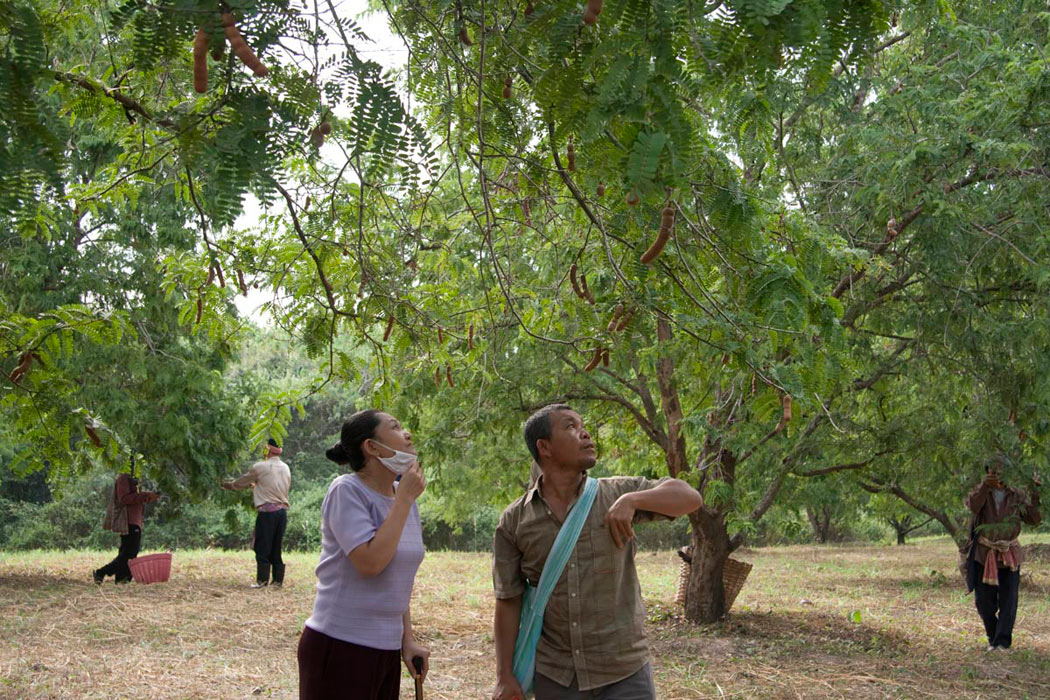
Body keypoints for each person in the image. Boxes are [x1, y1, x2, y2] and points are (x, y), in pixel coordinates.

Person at [492, 404, 702, 700]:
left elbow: (689, 498)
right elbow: (508, 600)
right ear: (544, 447)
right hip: (556, 675)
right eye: (570, 426)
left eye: (583, 424)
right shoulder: (514, 521)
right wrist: (504, 677)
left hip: (623, 672)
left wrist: (633, 500)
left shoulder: (616, 494)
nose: (586, 433)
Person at [297, 410, 430, 700]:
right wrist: (405, 499)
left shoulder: (402, 497)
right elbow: (370, 563)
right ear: (371, 447)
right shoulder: (346, 490)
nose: (407, 433)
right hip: (340, 644)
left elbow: (397, 578)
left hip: (386, 648)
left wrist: (407, 638)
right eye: (395, 427)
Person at [963, 455, 1042, 651]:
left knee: (1009, 599)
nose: (997, 474)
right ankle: (992, 636)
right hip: (984, 553)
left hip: (1010, 554)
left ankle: (1002, 642)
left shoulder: (1017, 495)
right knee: (984, 602)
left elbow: (1034, 519)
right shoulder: (979, 492)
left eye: (1002, 470)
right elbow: (973, 506)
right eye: (993, 470)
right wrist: (984, 486)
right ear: (987, 471)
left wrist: (1034, 493)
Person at [223, 438, 291, 588]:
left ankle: (262, 581)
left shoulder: (260, 467)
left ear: (267, 450)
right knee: (275, 546)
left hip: (267, 513)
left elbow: (241, 482)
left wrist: (229, 485)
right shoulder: (285, 467)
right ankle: (278, 581)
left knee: (262, 546)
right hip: (282, 513)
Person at [94, 462, 159, 584]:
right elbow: (124, 498)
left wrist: (149, 497)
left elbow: (135, 497)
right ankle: (102, 572)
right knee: (129, 554)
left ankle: (122, 579)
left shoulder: (133, 480)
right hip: (129, 521)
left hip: (135, 520)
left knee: (127, 552)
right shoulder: (123, 478)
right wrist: (145, 495)